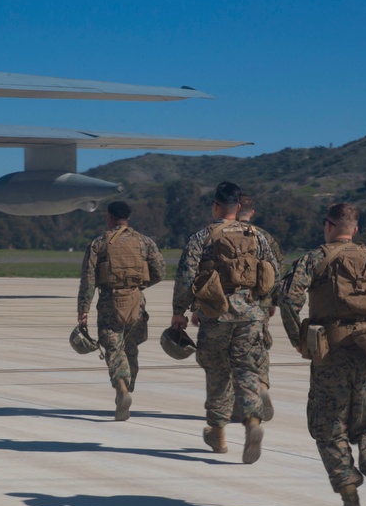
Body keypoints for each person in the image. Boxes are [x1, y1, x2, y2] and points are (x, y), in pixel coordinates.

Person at [279, 202, 366, 506]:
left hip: (331, 356)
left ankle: (350, 504)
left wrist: (298, 339)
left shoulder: (314, 258)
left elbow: (288, 299)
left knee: (329, 428)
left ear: (328, 225)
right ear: (356, 229)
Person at [172, 181, 280, 463]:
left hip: (216, 314)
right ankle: (253, 423)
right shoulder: (258, 237)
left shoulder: (203, 237)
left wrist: (179, 311)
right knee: (247, 370)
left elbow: (186, 275)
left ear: (216, 207)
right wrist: (264, 304)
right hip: (251, 315)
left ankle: (218, 435)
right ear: (238, 208)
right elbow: (273, 273)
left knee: (218, 372)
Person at [78, 201, 166, 421]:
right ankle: (128, 387)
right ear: (128, 217)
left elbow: (88, 281)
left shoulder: (99, 244)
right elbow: (160, 272)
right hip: (136, 303)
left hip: (109, 302)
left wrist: (83, 310)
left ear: (109, 218)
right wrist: (138, 287)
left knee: (114, 350)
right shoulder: (145, 242)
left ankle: (121, 387)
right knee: (131, 349)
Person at [234, 192, 283, 422]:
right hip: (259, 304)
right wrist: (272, 300)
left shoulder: (218, 234)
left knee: (232, 354)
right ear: (251, 213)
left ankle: (239, 403)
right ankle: (262, 384)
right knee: (258, 348)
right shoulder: (263, 237)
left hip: (229, 304)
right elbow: (277, 270)